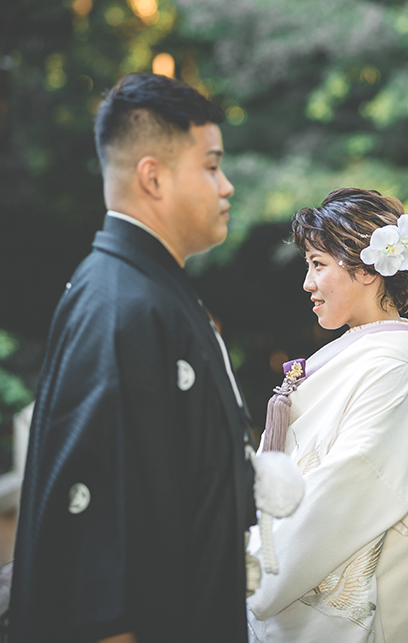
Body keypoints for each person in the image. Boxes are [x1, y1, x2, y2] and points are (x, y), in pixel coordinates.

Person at [9, 73, 256, 643]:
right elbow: (97, 562)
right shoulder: (121, 306)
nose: (227, 186)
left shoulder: (149, 291)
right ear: (153, 177)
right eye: (212, 166)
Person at [247, 188, 408, 643]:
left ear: (367, 270)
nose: (308, 283)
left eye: (318, 264)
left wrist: (245, 573)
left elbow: (332, 503)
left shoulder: (390, 378)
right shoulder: (366, 365)